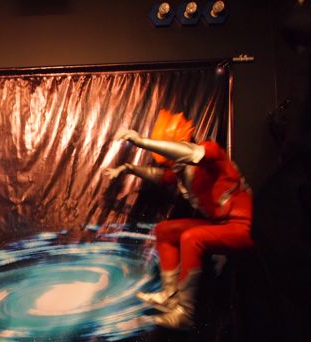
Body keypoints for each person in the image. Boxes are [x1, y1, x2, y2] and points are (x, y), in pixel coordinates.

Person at [105, 110, 253, 330]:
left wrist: (142, 142)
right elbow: (161, 176)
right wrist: (129, 168)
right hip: (219, 224)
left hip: (241, 227)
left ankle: (185, 312)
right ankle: (170, 294)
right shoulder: (183, 172)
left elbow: (191, 154)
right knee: (165, 230)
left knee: (191, 238)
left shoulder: (210, 153)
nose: (171, 165)